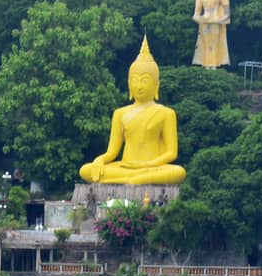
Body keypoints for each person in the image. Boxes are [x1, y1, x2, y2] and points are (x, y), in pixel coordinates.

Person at [78, 37, 186, 185]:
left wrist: (148, 165)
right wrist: (99, 160)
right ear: (129, 84)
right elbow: (112, 152)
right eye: (135, 80)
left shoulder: (166, 113)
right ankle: (133, 180)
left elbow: (171, 153)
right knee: (86, 169)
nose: (139, 86)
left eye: (145, 80)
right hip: (125, 166)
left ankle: (133, 180)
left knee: (178, 172)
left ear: (156, 85)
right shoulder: (120, 113)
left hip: (152, 167)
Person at [193, 0, 231, 68]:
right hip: (204, 24)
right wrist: (200, 19)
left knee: (214, 47)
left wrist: (217, 20)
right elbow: (196, 14)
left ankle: (213, 67)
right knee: (205, 47)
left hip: (216, 24)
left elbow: (227, 14)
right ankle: (205, 67)